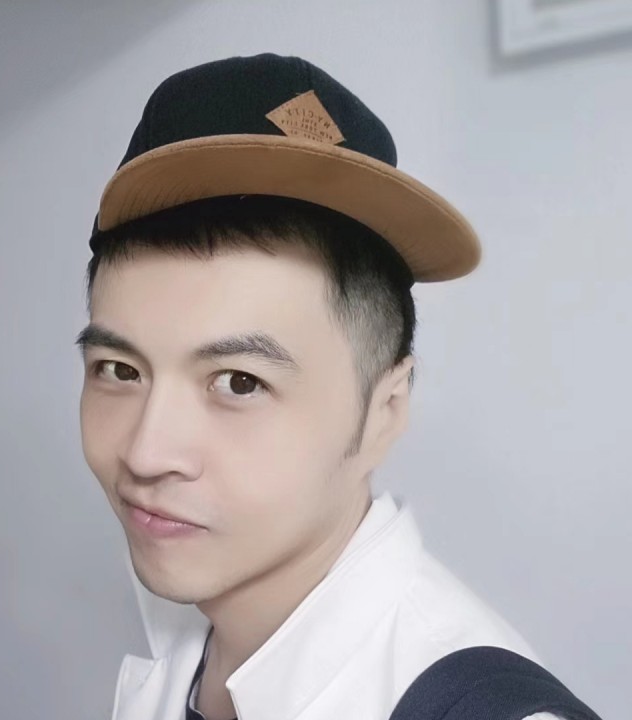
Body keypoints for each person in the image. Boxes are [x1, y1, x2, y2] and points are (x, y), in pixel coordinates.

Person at [75, 53, 596, 720]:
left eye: (239, 382)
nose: (146, 454)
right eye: (120, 370)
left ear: (384, 412)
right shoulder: (190, 631)